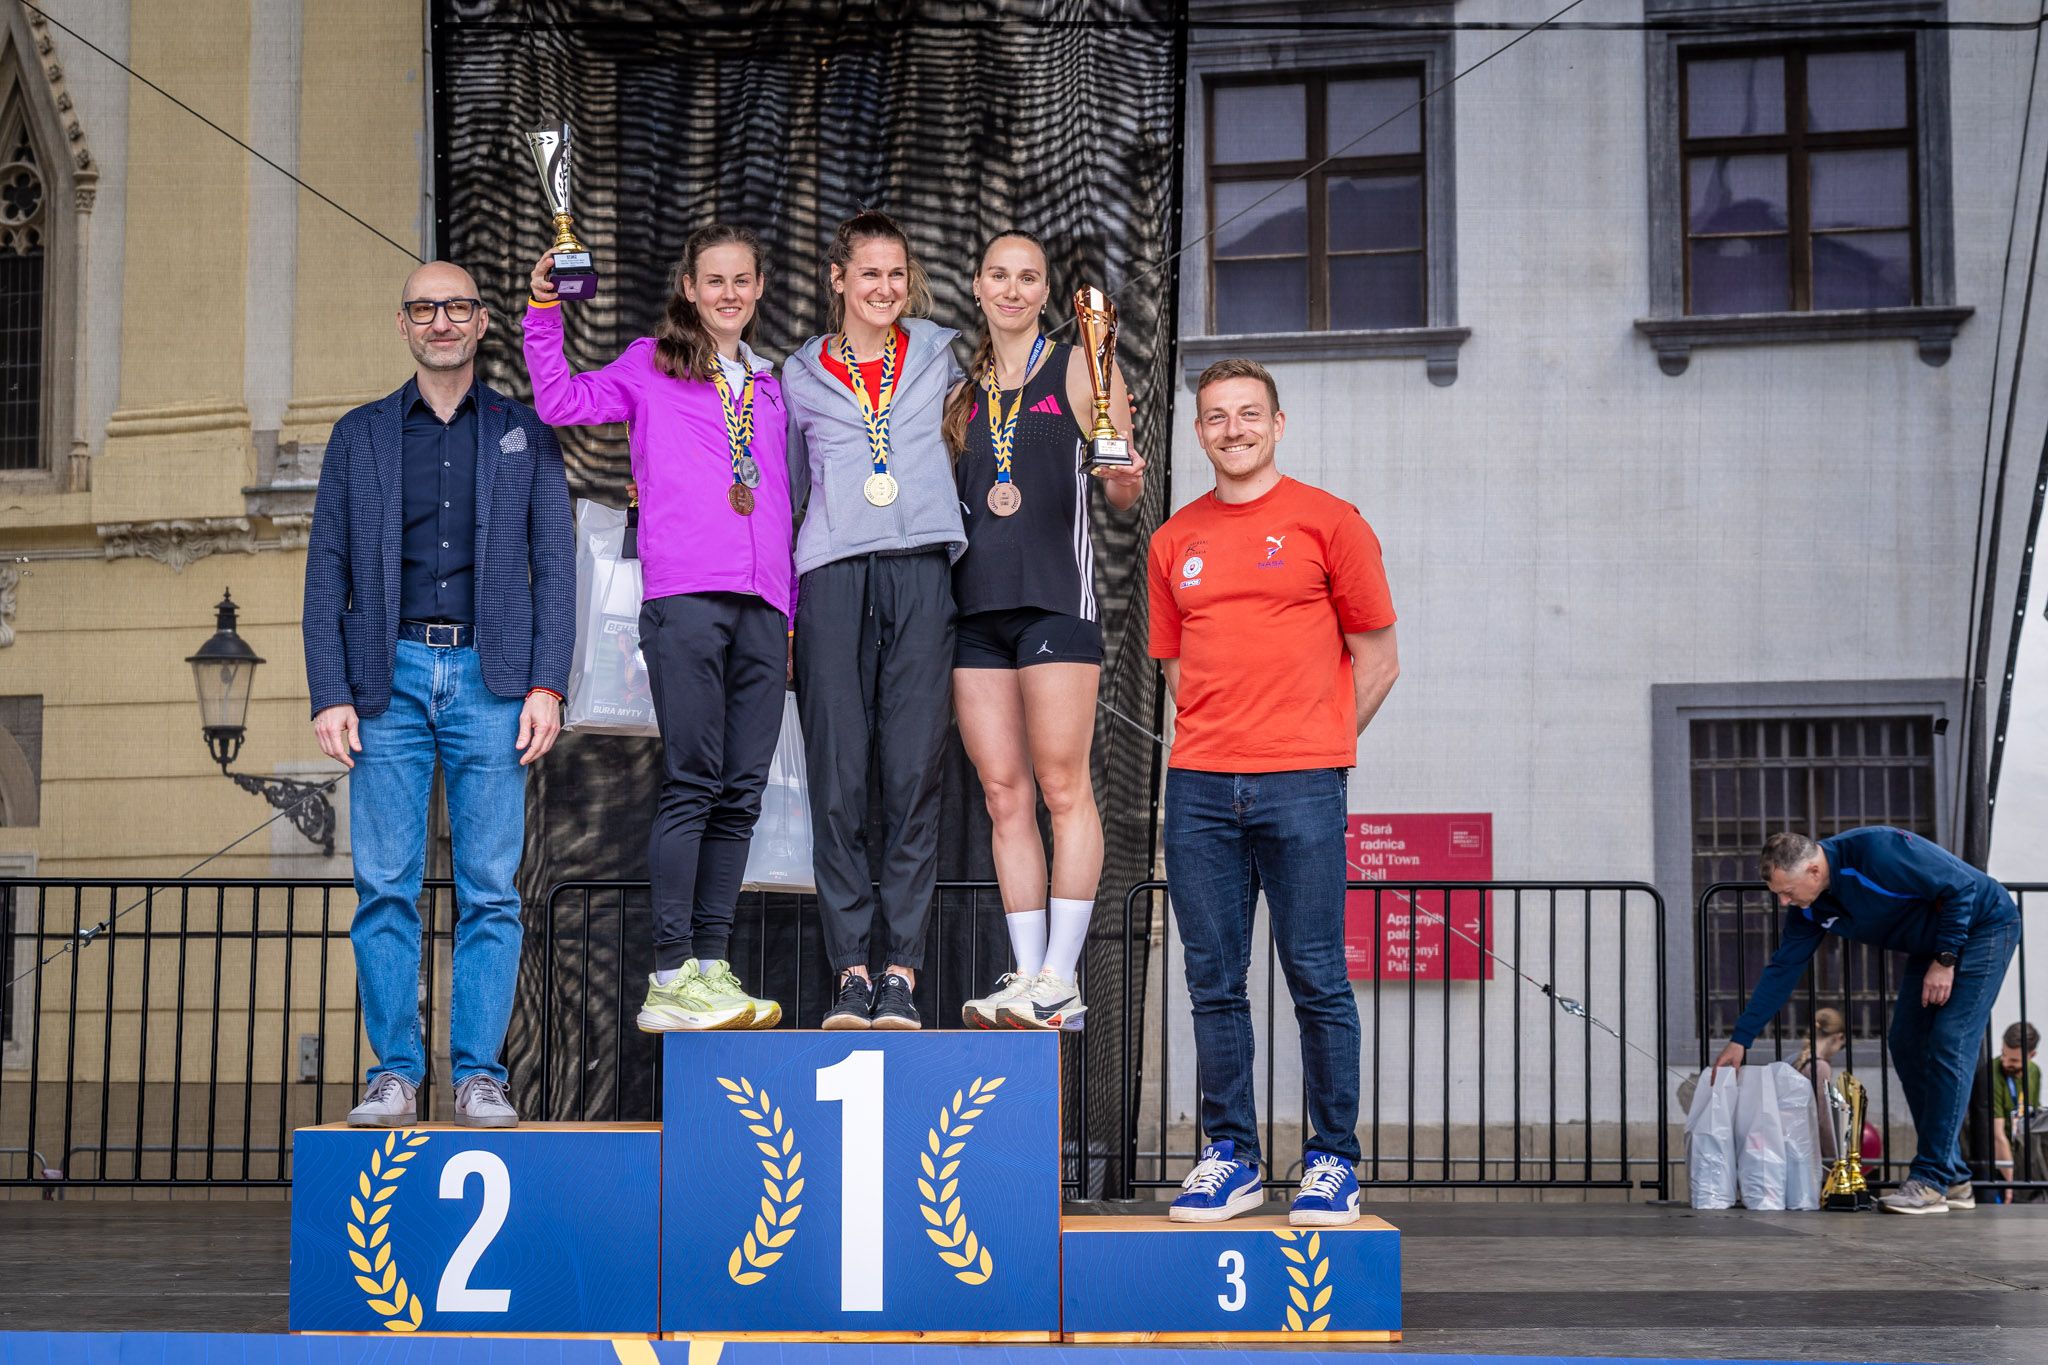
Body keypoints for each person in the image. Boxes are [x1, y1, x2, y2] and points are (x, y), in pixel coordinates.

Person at [303, 260, 573, 1128]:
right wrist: (329, 690)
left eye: (456, 307)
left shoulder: (525, 432)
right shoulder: (359, 437)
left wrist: (548, 682)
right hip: (387, 680)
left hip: (495, 681)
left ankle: (479, 1076)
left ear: (482, 321)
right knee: (384, 886)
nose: (441, 321)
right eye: (424, 309)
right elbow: (327, 568)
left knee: (491, 889)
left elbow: (556, 566)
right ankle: (394, 1073)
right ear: (403, 324)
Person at [1147, 358, 1400, 1225]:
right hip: (1199, 788)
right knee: (1213, 982)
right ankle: (1232, 1157)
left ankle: (1333, 1160)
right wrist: (1230, 736)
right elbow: (1178, 671)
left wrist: (1316, 743)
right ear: (1199, 432)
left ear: (1278, 424)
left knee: (1317, 977)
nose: (1234, 429)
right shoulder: (1173, 540)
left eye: (1249, 413)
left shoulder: (1332, 522)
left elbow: (1379, 660)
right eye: (1217, 416)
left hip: (1302, 784)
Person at [524, 224, 789, 1033]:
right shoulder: (651, 363)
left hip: (765, 606)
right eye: (714, 281)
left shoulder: (773, 385)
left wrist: (790, 609)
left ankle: (710, 965)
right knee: (694, 779)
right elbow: (560, 401)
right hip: (685, 596)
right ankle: (670, 970)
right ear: (689, 287)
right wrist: (543, 309)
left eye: (741, 280)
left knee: (742, 792)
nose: (728, 294)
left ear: (759, 288)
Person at [942, 231, 1144, 1032]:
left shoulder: (1082, 366)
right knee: (1004, 794)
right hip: (974, 612)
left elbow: (1122, 491)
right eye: (999, 274)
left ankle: (1062, 976)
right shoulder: (959, 393)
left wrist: (1124, 476)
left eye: (1028, 277)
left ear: (1045, 291)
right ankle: (1028, 976)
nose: (1013, 289)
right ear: (978, 284)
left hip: (1057, 602)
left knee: (1063, 787)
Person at [783, 210, 965, 1030]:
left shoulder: (940, 355)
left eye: (897, 273)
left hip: (922, 567)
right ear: (838, 279)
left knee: (913, 775)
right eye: (869, 274)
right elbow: (790, 488)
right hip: (830, 574)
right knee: (839, 780)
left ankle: (902, 971)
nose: (885, 288)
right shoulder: (795, 376)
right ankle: (851, 970)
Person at [1711, 828, 2023, 1214]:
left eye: (1787, 891)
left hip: (1983, 927)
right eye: (1778, 894)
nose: (1784, 901)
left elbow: (1961, 887)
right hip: (1932, 944)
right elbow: (1783, 969)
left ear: (1813, 870)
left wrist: (1945, 959)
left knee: (1950, 1040)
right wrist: (1740, 1040)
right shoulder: (1809, 907)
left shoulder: (1877, 851)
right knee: (1905, 1042)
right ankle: (1955, 1177)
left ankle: (1931, 1179)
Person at [1791, 1006, 1849, 1159]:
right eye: (1842, 1045)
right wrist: (1834, 1157)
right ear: (1838, 1037)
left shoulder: (1798, 1060)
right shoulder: (1820, 1067)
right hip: (1811, 1151)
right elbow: (1823, 1117)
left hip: (1796, 1145)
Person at [1992, 1021, 2041, 1192]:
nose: (2005, 1062)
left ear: (2031, 1055)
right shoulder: (1993, 1072)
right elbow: (1997, 1135)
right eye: (2003, 1054)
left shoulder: (2034, 1072)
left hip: (2022, 1155)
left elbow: (2033, 1120)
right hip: (1998, 1158)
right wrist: (2010, 1183)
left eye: (2013, 1060)